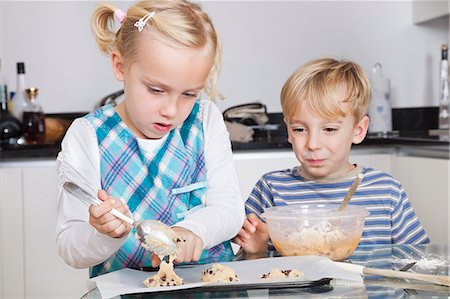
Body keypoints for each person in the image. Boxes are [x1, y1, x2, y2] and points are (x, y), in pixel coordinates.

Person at [56, 0, 245, 278]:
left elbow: (228, 210)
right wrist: (105, 235)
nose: (171, 110)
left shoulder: (205, 121)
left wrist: (193, 231)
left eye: (189, 94)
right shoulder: (89, 136)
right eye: (156, 90)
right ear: (121, 67)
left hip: (212, 287)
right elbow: (69, 246)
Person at [234, 58, 430, 254]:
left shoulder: (386, 191)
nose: (313, 144)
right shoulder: (271, 189)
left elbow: (418, 260)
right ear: (288, 130)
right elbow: (248, 272)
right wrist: (256, 252)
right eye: (300, 129)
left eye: (329, 129)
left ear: (358, 130)